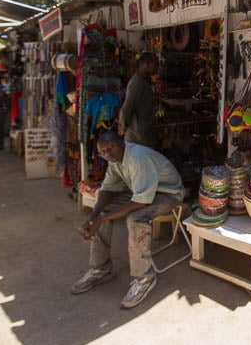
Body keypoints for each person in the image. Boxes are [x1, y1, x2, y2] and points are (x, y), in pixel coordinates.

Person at [71, 131, 184, 309]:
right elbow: (108, 188)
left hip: (168, 195)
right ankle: (101, 268)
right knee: (103, 209)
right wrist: (94, 216)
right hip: (142, 192)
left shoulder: (138, 158)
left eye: (111, 148)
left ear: (122, 144)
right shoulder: (115, 161)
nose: (108, 154)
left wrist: (102, 219)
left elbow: (140, 202)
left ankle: (144, 277)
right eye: (103, 152)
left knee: (136, 218)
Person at [118, 52, 158, 148]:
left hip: (143, 135)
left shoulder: (143, 81)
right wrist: (122, 126)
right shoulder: (137, 82)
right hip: (137, 137)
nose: (156, 68)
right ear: (146, 65)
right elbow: (127, 107)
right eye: (155, 65)